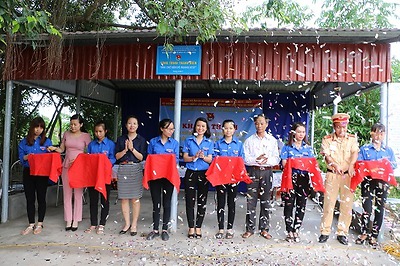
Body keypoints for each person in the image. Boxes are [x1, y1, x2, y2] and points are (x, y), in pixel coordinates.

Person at [318, 113, 359, 245]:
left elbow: (355, 153)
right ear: (334, 127)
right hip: (332, 175)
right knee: (329, 203)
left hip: (347, 175)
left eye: (344, 127)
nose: (342, 130)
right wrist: (334, 165)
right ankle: (325, 231)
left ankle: (342, 232)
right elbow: (327, 156)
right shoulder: (327, 139)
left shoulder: (352, 139)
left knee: (346, 205)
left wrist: (352, 165)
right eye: (338, 127)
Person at [355, 123, 397, 247]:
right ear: (371, 133)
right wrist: (372, 166)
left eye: (381, 133)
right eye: (376, 132)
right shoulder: (365, 148)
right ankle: (364, 232)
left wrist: (381, 166)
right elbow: (359, 163)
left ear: (384, 135)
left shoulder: (388, 150)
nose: (378, 136)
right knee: (366, 208)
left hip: (382, 182)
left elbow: (393, 165)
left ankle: (374, 235)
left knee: (379, 208)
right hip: (368, 181)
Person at [49, 114, 91, 231]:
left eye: (75, 124)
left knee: (78, 194)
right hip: (66, 166)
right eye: (71, 124)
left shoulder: (86, 136)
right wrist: (54, 149)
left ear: (81, 125)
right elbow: (62, 149)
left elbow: (90, 152)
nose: (72, 126)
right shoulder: (66, 134)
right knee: (67, 193)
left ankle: (76, 220)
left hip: (79, 167)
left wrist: (80, 159)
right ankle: (68, 219)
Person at [242, 114, 280, 239]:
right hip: (253, 171)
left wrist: (266, 160)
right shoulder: (249, 140)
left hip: (267, 171)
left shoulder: (272, 140)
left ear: (267, 124)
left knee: (266, 201)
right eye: (257, 123)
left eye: (262, 123)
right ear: (254, 124)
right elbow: (245, 159)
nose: (259, 126)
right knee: (251, 201)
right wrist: (256, 160)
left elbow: (276, 159)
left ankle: (264, 229)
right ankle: (250, 229)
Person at [280, 122, 317, 242]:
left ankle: (296, 230)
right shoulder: (287, 147)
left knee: (301, 205)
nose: (301, 134)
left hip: (304, 179)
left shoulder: (308, 148)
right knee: (289, 204)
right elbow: (284, 164)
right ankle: (289, 230)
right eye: (299, 131)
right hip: (290, 178)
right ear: (293, 133)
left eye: (303, 132)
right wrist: (297, 163)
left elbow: (312, 165)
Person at [146, 119, 179, 241]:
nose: (171, 131)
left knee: (167, 202)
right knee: (156, 202)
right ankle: (155, 229)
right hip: (155, 177)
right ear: (162, 129)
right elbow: (149, 159)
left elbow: (175, 161)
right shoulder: (153, 142)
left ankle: (165, 229)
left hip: (168, 177)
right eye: (169, 129)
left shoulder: (174, 143)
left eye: (172, 129)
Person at [18, 117, 53, 235]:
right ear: (32, 127)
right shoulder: (24, 142)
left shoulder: (47, 141)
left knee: (41, 198)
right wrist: (27, 157)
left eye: (41, 127)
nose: (38, 130)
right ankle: (31, 223)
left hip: (42, 174)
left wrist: (51, 150)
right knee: (30, 198)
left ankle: (40, 223)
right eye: (36, 127)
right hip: (28, 172)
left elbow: (51, 157)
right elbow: (21, 158)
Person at [115, 115, 147, 236]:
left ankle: (134, 224)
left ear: (138, 126)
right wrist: (124, 150)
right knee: (124, 198)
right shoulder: (120, 139)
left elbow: (142, 157)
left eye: (134, 123)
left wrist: (132, 149)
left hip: (136, 168)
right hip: (123, 168)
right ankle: (127, 224)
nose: (132, 126)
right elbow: (117, 157)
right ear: (126, 125)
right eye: (129, 123)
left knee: (135, 198)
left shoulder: (141, 140)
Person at [183, 117, 214, 239]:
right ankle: (191, 227)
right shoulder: (188, 140)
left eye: (203, 126)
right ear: (195, 127)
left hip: (203, 173)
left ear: (206, 129)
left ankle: (198, 226)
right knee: (190, 201)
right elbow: (185, 157)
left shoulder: (209, 142)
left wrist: (203, 157)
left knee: (202, 201)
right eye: (198, 126)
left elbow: (210, 160)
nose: (200, 128)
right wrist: (193, 157)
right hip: (191, 172)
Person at [212, 119, 244, 239]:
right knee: (220, 203)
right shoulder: (218, 144)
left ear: (234, 129)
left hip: (233, 178)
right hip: (221, 179)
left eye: (230, 128)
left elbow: (242, 160)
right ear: (222, 129)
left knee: (231, 203)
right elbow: (215, 160)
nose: (228, 130)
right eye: (226, 128)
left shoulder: (239, 144)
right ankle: (221, 228)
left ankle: (229, 228)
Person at [85, 121, 116, 235]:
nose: (98, 134)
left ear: (105, 131)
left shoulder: (111, 144)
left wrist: (105, 163)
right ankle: (93, 223)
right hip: (92, 176)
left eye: (100, 131)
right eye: (96, 131)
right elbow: (87, 159)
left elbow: (113, 158)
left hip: (105, 176)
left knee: (104, 200)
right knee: (93, 200)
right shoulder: (91, 145)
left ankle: (102, 223)